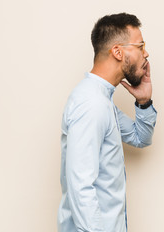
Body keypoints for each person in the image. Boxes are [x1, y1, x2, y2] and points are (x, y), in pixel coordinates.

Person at [57, 13, 157, 232]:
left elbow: (141, 138)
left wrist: (143, 102)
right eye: (140, 46)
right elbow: (80, 186)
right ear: (118, 52)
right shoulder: (91, 104)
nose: (146, 53)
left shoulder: (102, 101)